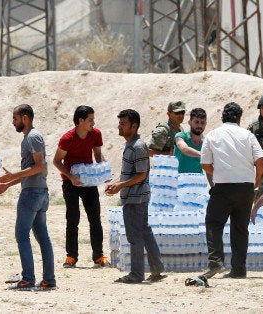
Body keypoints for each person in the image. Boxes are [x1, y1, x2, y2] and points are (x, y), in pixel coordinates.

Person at [199, 102, 263, 279]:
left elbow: (205, 164)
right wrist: (256, 182)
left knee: (214, 223)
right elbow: (261, 161)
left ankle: (216, 262)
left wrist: (220, 172)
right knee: (240, 229)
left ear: (222, 117)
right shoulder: (248, 135)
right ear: (239, 119)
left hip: (223, 187)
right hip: (246, 188)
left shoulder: (213, 135)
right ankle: (238, 270)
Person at [0, 104, 56, 290]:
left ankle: (28, 279)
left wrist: (11, 176)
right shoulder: (29, 138)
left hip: (32, 195)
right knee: (42, 237)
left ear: (25, 118)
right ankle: (48, 280)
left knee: (22, 235)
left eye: (15, 119)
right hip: (38, 193)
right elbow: (31, 173)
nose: (13, 122)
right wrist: (8, 184)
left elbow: (40, 167)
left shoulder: (33, 137)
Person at [105, 109, 165, 284]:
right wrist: (116, 182)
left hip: (135, 198)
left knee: (135, 236)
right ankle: (157, 269)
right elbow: (132, 173)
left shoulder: (138, 146)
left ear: (134, 125)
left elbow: (141, 174)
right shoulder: (132, 145)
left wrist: (120, 186)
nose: (119, 127)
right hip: (136, 196)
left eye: (123, 124)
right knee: (144, 232)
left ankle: (136, 274)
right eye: (120, 123)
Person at [52, 105, 109, 268]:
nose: (93, 122)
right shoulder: (67, 139)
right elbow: (56, 161)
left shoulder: (96, 134)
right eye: (90, 120)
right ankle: (71, 257)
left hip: (88, 181)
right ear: (80, 120)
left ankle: (98, 256)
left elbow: (97, 155)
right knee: (72, 218)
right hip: (70, 182)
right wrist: (70, 177)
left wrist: (103, 172)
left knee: (95, 218)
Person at [173, 107, 209, 177]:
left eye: (202, 123)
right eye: (196, 122)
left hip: (197, 183)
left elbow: (208, 168)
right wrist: (202, 154)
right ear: (189, 122)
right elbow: (184, 149)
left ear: (205, 124)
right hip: (179, 181)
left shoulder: (206, 142)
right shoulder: (181, 136)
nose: (199, 125)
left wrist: (213, 187)